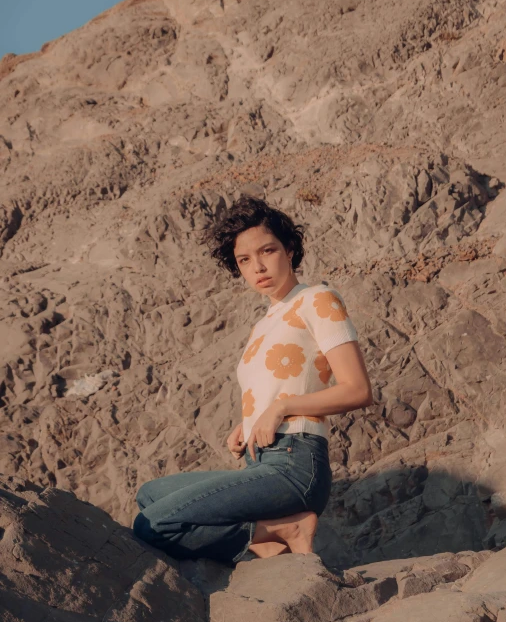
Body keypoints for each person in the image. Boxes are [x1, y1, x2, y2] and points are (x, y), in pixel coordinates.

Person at [132, 195, 373, 563]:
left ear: (289, 249)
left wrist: (281, 408)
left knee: (152, 526)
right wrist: (246, 424)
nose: (258, 267)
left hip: (296, 461)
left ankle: (281, 530)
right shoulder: (263, 324)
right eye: (244, 260)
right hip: (259, 463)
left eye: (267, 251)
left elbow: (357, 390)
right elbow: (276, 388)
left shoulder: (318, 299)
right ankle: (269, 536)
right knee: (150, 495)